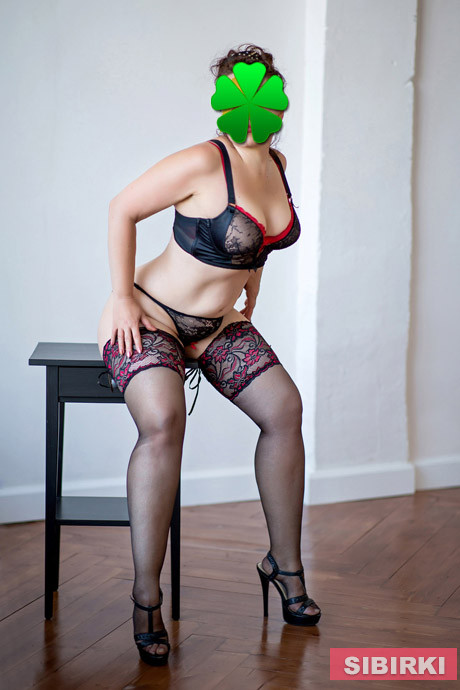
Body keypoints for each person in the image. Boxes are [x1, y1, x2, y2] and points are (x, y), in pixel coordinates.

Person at [97, 43, 321, 666]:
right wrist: (121, 297)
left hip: (217, 326)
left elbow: (258, 242)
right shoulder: (204, 160)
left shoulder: (276, 164)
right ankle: (146, 597)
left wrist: (252, 288)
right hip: (151, 315)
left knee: (285, 410)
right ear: (224, 99)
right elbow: (122, 208)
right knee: (164, 422)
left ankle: (285, 566)